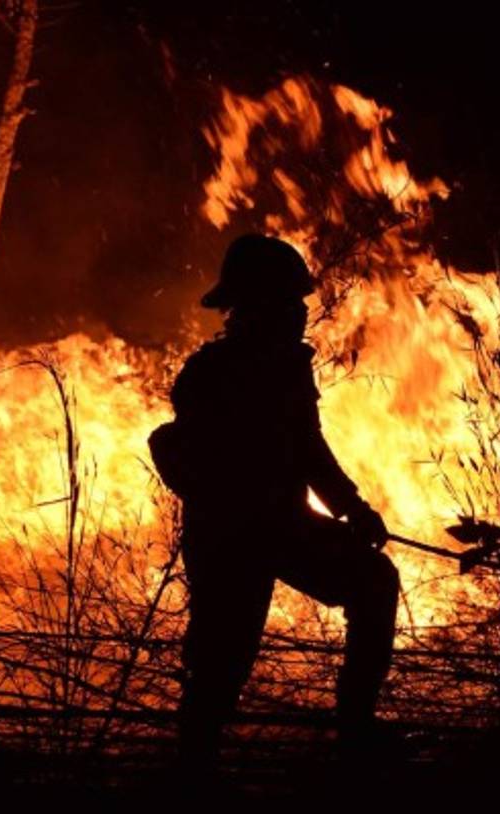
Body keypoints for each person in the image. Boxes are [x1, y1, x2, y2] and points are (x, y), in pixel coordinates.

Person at [156, 234, 401, 771]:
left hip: (286, 527)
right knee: (223, 662)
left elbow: (309, 448)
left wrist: (352, 509)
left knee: (374, 580)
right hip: (231, 540)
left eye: (299, 301)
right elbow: (184, 456)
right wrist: (235, 509)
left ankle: (354, 728)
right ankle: (193, 770)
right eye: (289, 301)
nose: (301, 311)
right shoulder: (212, 373)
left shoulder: (289, 366)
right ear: (256, 305)